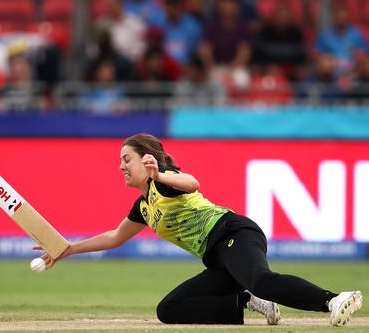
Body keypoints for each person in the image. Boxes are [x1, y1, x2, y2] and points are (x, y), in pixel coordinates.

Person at [38, 133, 363, 327]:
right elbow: (115, 237)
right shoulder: (143, 206)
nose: (121, 166)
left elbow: (192, 182)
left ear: (147, 159)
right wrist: (66, 249)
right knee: (169, 310)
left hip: (234, 233)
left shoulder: (164, 181)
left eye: (127, 159)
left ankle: (333, 300)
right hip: (218, 259)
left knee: (262, 278)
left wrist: (161, 175)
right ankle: (246, 302)